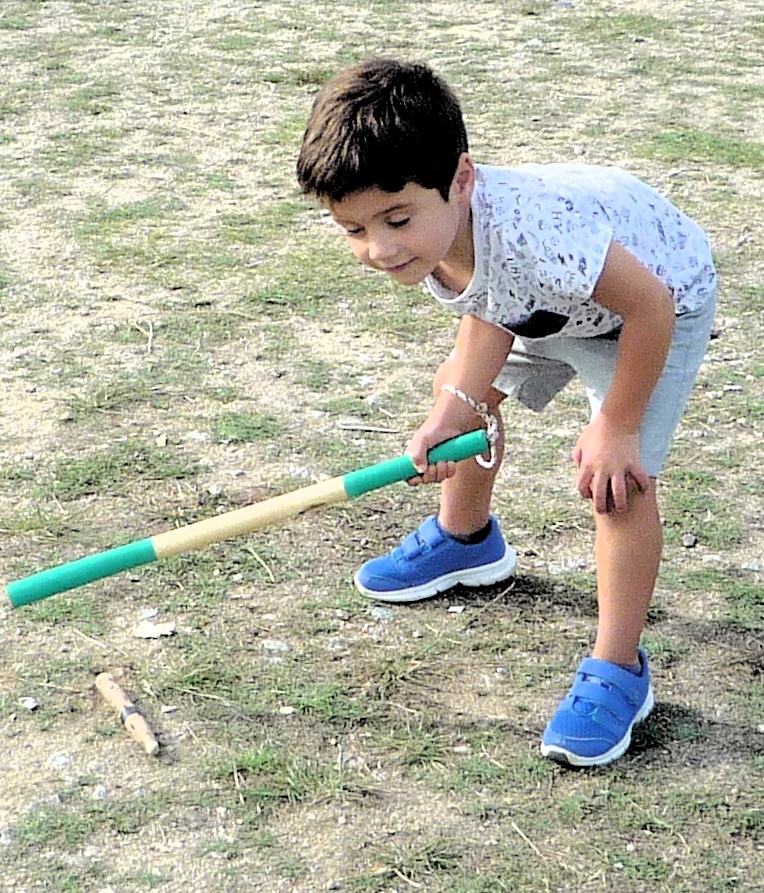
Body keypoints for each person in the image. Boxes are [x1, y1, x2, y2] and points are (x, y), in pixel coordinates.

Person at [295, 58, 717, 767]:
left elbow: (650, 306)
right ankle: (465, 540)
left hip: (647, 310)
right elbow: (489, 303)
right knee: (463, 399)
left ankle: (618, 668)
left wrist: (616, 426)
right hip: (548, 301)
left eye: (396, 219)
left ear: (461, 180)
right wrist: (454, 407)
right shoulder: (439, 241)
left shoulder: (535, 230)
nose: (379, 248)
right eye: (352, 228)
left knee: (617, 483)